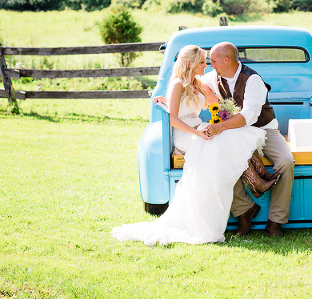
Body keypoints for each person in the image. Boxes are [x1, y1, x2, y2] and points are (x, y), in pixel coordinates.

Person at [111, 45, 278, 245]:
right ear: (190, 64)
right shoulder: (177, 85)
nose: (206, 66)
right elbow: (173, 119)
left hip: (197, 128)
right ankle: (253, 187)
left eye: (207, 62)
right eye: (202, 62)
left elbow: (214, 101)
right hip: (184, 134)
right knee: (219, 142)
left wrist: (202, 91)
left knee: (232, 133)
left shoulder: (198, 83)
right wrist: (196, 131)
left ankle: (254, 187)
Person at [201, 41, 295, 238]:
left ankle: (276, 221)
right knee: (221, 160)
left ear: (226, 60)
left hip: (264, 129)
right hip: (233, 134)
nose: (211, 65)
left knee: (286, 162)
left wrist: (220, 126)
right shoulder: (212, 77)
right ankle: (244, 210)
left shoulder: (253, 80)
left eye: (213, 61)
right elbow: (193, 84)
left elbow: (249, 115)